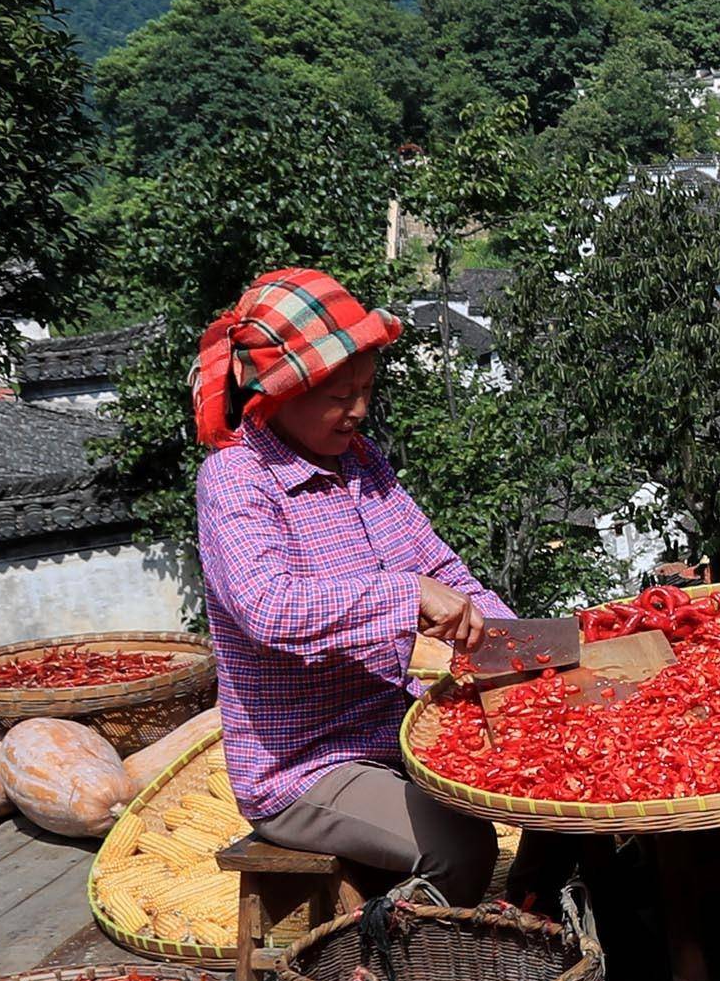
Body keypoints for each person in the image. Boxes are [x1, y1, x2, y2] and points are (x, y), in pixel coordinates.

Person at [194, 269, 508, 898]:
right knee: (460, 848)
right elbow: (268, 607)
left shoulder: (361, 461)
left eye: (366, 390)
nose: (359, 411)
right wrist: (405, 593)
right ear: (280, 394)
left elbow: (440, 568)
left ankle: (534, 931)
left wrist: (507, 637)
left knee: (548, 785)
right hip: (304, 765)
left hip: (399, 728)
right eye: (340, 396)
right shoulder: (236, 479)